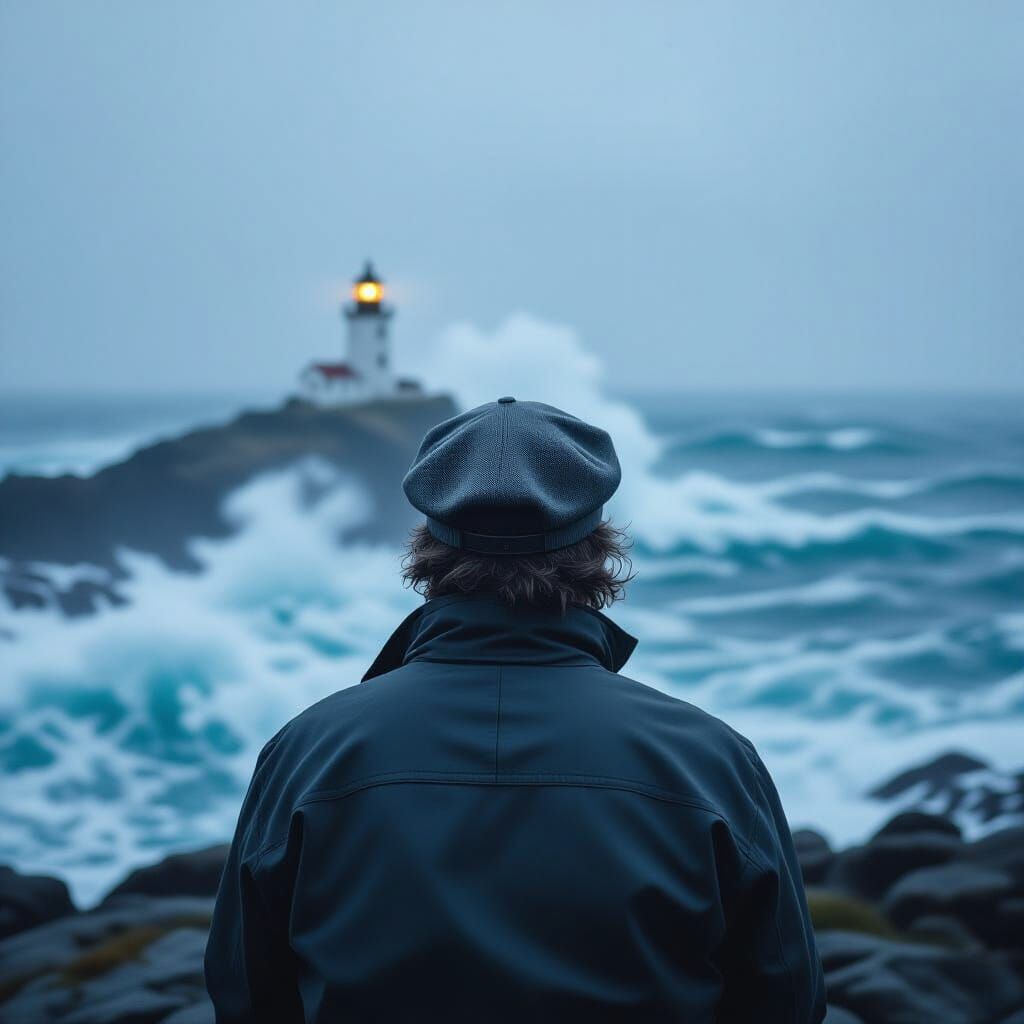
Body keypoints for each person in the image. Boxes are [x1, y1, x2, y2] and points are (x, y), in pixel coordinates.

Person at [204, 397, 827, 1022]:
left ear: (428, 547)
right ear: (598, 547)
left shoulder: (307, 751)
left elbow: (245, 996)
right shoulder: (710, 759)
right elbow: (787, 1003)